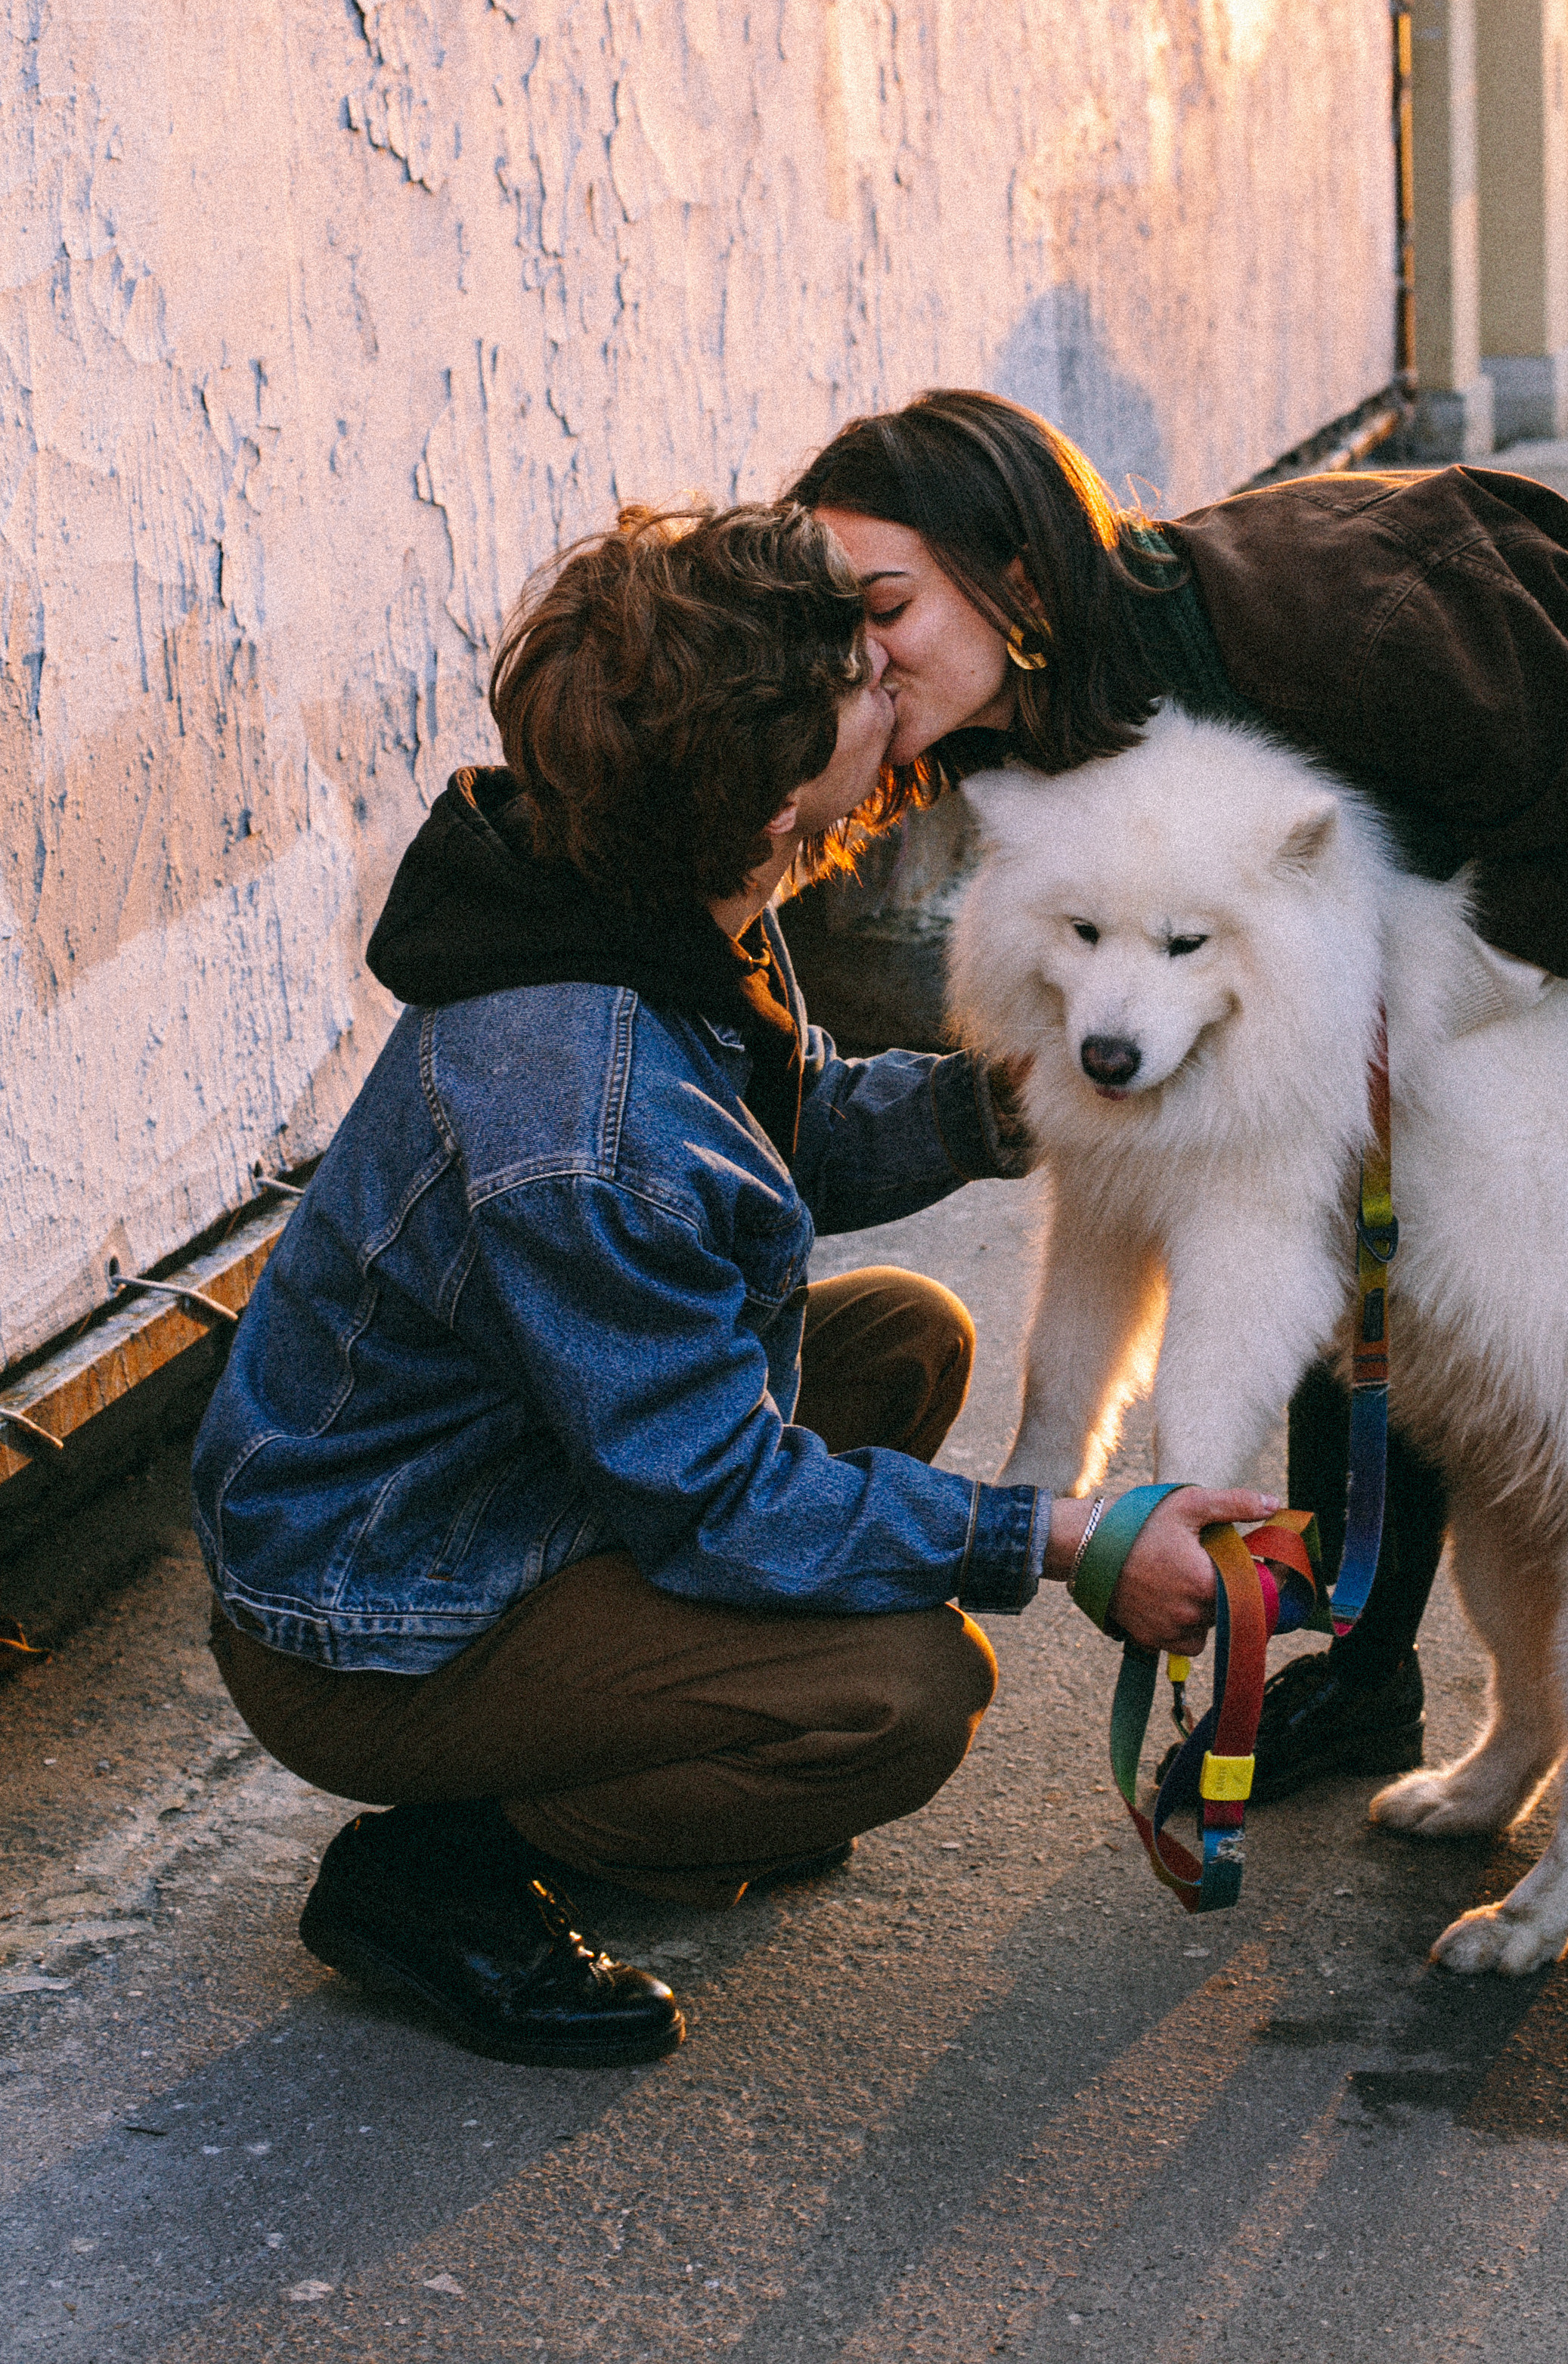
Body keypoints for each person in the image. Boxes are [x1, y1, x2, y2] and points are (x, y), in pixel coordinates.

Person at [786, 388, 1568, 2072]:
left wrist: (1406, 1020)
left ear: (1010, 572)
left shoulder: (1334, 608)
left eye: (882, 609)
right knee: (1356, 1248)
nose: (862, 661)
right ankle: (1369, 1675)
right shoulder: (1036, 717)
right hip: (1481, 899)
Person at [194, 500, 1262, 2068]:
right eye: (861, 679)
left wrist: (1009, 1099)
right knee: (900, 1692)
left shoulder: (644, 893)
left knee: (905, 1336)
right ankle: (443, 1863)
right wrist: (1065, 1536)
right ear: (770, 795)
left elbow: (777, 1126)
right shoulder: (578, 1114)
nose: (893, 678)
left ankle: (668, 1735)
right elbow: (720, 1499)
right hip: (375, 1615)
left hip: (509, 1476)